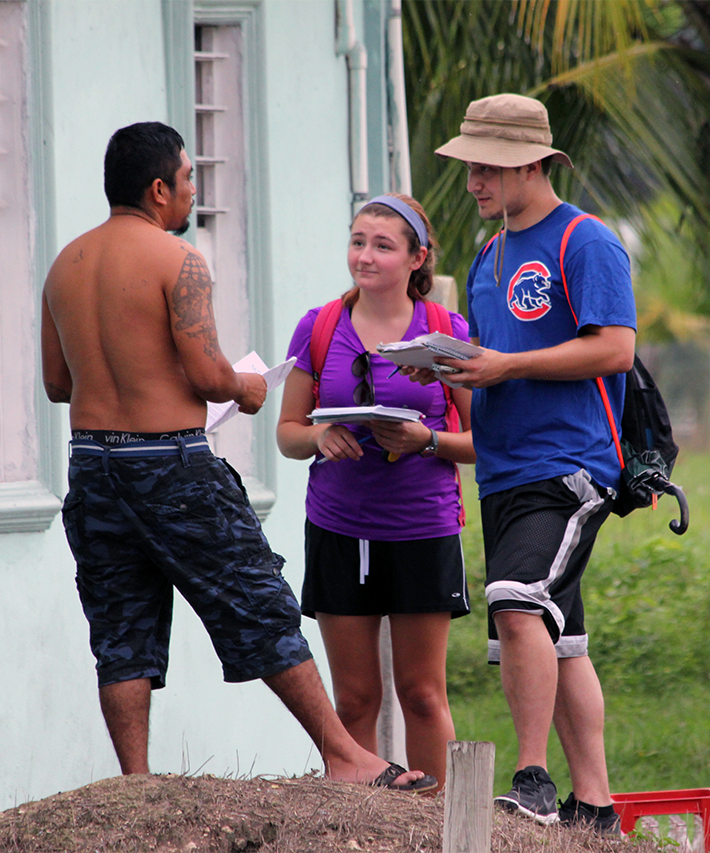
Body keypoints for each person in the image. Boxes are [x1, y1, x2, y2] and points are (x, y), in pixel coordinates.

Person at [40, 121, 435, 792]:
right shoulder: (178, 259)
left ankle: (134, 779)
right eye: (189, 177)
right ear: (160, 187)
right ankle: (344, 755)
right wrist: (246, 387)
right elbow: (206, 373)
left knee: (121, 622)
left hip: (91, 465)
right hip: (170, 463)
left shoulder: (65, 265)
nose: (194, 189)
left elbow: (57, 384)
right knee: (258, 599)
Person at [426, 94, 638, 835]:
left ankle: (533, 779)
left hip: (571, 466)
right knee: (560, 637)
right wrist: (453, 372)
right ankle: (597, 808)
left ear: (531, 164)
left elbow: (615, 348)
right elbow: (498, 362)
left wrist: (507, 366)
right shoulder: (488, 256)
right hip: (505, 470)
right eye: (471, 168)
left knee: (516, 601)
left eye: (487, 167)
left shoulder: (586, 241)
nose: (474, 182)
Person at [276, 193, 476, 790]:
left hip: (424, 527)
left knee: (420, 693)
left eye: (383, 246)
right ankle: (357, 829)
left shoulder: (446, 333)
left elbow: (489, 443)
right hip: (339, 526)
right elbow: (288, 434)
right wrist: (322, 437)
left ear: (418, 259)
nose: (364, 256)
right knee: (356, 697)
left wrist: (426, 440)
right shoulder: (320, 327)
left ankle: (431, 823)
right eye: (358, 241)